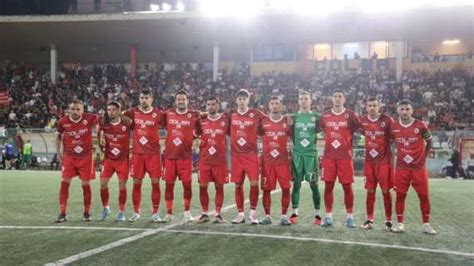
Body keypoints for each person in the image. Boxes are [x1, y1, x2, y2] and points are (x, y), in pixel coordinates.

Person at [390, 100, 436, 234]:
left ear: (412, 111)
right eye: (402, 109)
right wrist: (394, 155)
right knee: (400, 196)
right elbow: (390, 143)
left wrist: (424, 156)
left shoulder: (420, 125)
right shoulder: (393, 126)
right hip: (401, 168)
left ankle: (426, 224)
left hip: (418, 169)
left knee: (424, 196)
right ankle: (400, 224)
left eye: (407, 109)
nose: (404, 111)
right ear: (398, 110)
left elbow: (429, 141)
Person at [320, 90, 360, 228]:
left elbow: (358, 130)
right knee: (328, 186)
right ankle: (328, 217)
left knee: (347, 187)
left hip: (345, 157)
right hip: (329, 157)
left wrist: (350, 144)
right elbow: (320, 129)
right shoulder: (325, 115)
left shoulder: (351, 115)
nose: (337, 99)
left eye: (340, 97)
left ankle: (350, 218)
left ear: (344, 99)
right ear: (332, 99)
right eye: (335, 96)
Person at [55, 100, 99, 223]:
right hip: (69, 157)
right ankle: (62, 213)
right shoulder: (63, 122)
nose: (75, 111)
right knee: (64, 183)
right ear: (70, 109)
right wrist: (59, 153)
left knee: (85, 185)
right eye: (73, 109)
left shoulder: (90, 118)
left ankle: (87, 212)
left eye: (78, 109)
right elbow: (58, 137)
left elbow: (105, 119)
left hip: (86, 157)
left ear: (83, 110)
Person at [124, 89, 164, 222]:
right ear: (139, 99)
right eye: (142, 98)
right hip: (138, 154)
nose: (144, 100)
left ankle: (155, 213)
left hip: (153, 154)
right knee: (136, 182)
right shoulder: (132, 112)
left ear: (151, 99)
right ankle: (136, 212)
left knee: (155, 183)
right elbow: (120, 116)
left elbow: (171, 124)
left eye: (146, 98)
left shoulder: (158, 113)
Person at [229, 89, 266, 224]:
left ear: (248, 100)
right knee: (238, 185)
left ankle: (252, 214)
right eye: (240, 98)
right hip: (236, 156)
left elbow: (269, 120)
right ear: (236, 100)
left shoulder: (256, 114)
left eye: (244, 98)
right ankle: (240, 214)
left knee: (254, 183)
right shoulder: (231, 114)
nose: (242, 101)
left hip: (251, 155)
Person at [162, 90, 199, 222]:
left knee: (187, 185)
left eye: (183, 99)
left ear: (187, 101)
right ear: (175, 101)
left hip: (185, 157)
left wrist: (195, 141)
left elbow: (202, 127)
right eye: (179, 99)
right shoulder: (168, 113)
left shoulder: (194, 115)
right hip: (170, 157)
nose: (181, 101)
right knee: (168, 185)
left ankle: (187, 212)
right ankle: (169, 213)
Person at [359, 97, 394, 230]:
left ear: (379, 107)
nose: (372, 108)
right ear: (366, 107)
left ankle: (388, 220)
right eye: (369, 106)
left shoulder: (387, 120)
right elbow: (362, 132)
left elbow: (394, 136)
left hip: (384, 162)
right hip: (369, 162)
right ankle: (369, 220)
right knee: (370, 191)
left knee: (386, 191)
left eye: (374, 105)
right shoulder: (362, 121)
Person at [289, 91, 322, 225]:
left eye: (306, 99)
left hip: (310, 155)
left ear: (310, 101)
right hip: (297, 155)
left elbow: (321, 131)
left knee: (314, 184)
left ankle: (318, 215)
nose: (303, 101)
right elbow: (291, 134)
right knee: (296, 185)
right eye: (301, 99)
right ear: (298, 101)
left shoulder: (316, 116)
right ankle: (295, 213)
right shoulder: (294, 117)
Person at [195, 96, 229, 224]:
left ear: (218, 105)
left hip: (220, 161)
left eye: (213, 104)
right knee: (202, 186)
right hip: (204, 160)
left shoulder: (225, 119)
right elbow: (194, 134)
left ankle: (218, 214)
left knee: (219, 187)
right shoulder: (201, 120)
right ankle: (204, 214)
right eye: (208, 104)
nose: (210, 107)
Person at [259, 96, 292, 226]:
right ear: (269, 106)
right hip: (267, 162)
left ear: (281, 106)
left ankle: (284, 216)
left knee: (285, 189)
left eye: (277, 103)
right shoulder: (263, 121)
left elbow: (294, 135)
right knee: (266, 190)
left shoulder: (287, 121)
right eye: (272, 103)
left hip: (283, 162)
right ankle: (267, 216)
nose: (274, 106)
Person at [97, 101, 132, 222]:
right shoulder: (104, 123)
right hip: (108, 159)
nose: (110, 112)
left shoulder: (127, 123)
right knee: (102, 184)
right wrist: (101, 147)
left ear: (118, 111)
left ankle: (121, 212)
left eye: (113, 109)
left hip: (122, 160)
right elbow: (98, 134)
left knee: (122, 185)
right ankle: (106, 208)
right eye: (109, 109)